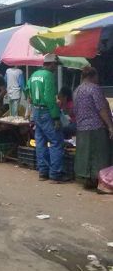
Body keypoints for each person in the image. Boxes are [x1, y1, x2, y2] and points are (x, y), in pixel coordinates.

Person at [27, 54, 67, 183]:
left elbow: (26, 91)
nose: (56, 68)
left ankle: (43, 172)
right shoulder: (49, 76)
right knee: (56, 142)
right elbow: (50, 98)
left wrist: (33, 100)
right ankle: (55, 174)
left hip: (36, 111)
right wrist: (56, 117)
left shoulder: (33, 75)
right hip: (47, 112)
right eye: (55, 65)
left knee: (40, 142)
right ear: (51, 64)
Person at [73, 67, 113, 189]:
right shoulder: (94, 89)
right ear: (93, 76)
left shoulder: (77, 91)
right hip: (96, 128)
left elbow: (75, 110)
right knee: (99, 155)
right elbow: (102, 109)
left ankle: (87, 180)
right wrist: (110, 126)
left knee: (85, 155)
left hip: (81, 128)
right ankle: (100, 180)